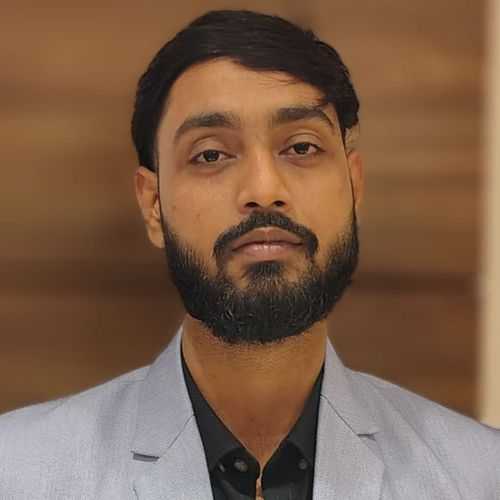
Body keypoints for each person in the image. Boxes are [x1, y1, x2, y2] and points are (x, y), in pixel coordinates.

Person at [0, 9, 498, 500]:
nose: (263, 190)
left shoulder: (479, 474)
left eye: (301, 148)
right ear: (153, 205)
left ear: (354, 184)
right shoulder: (17, 471)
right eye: (211, 154)